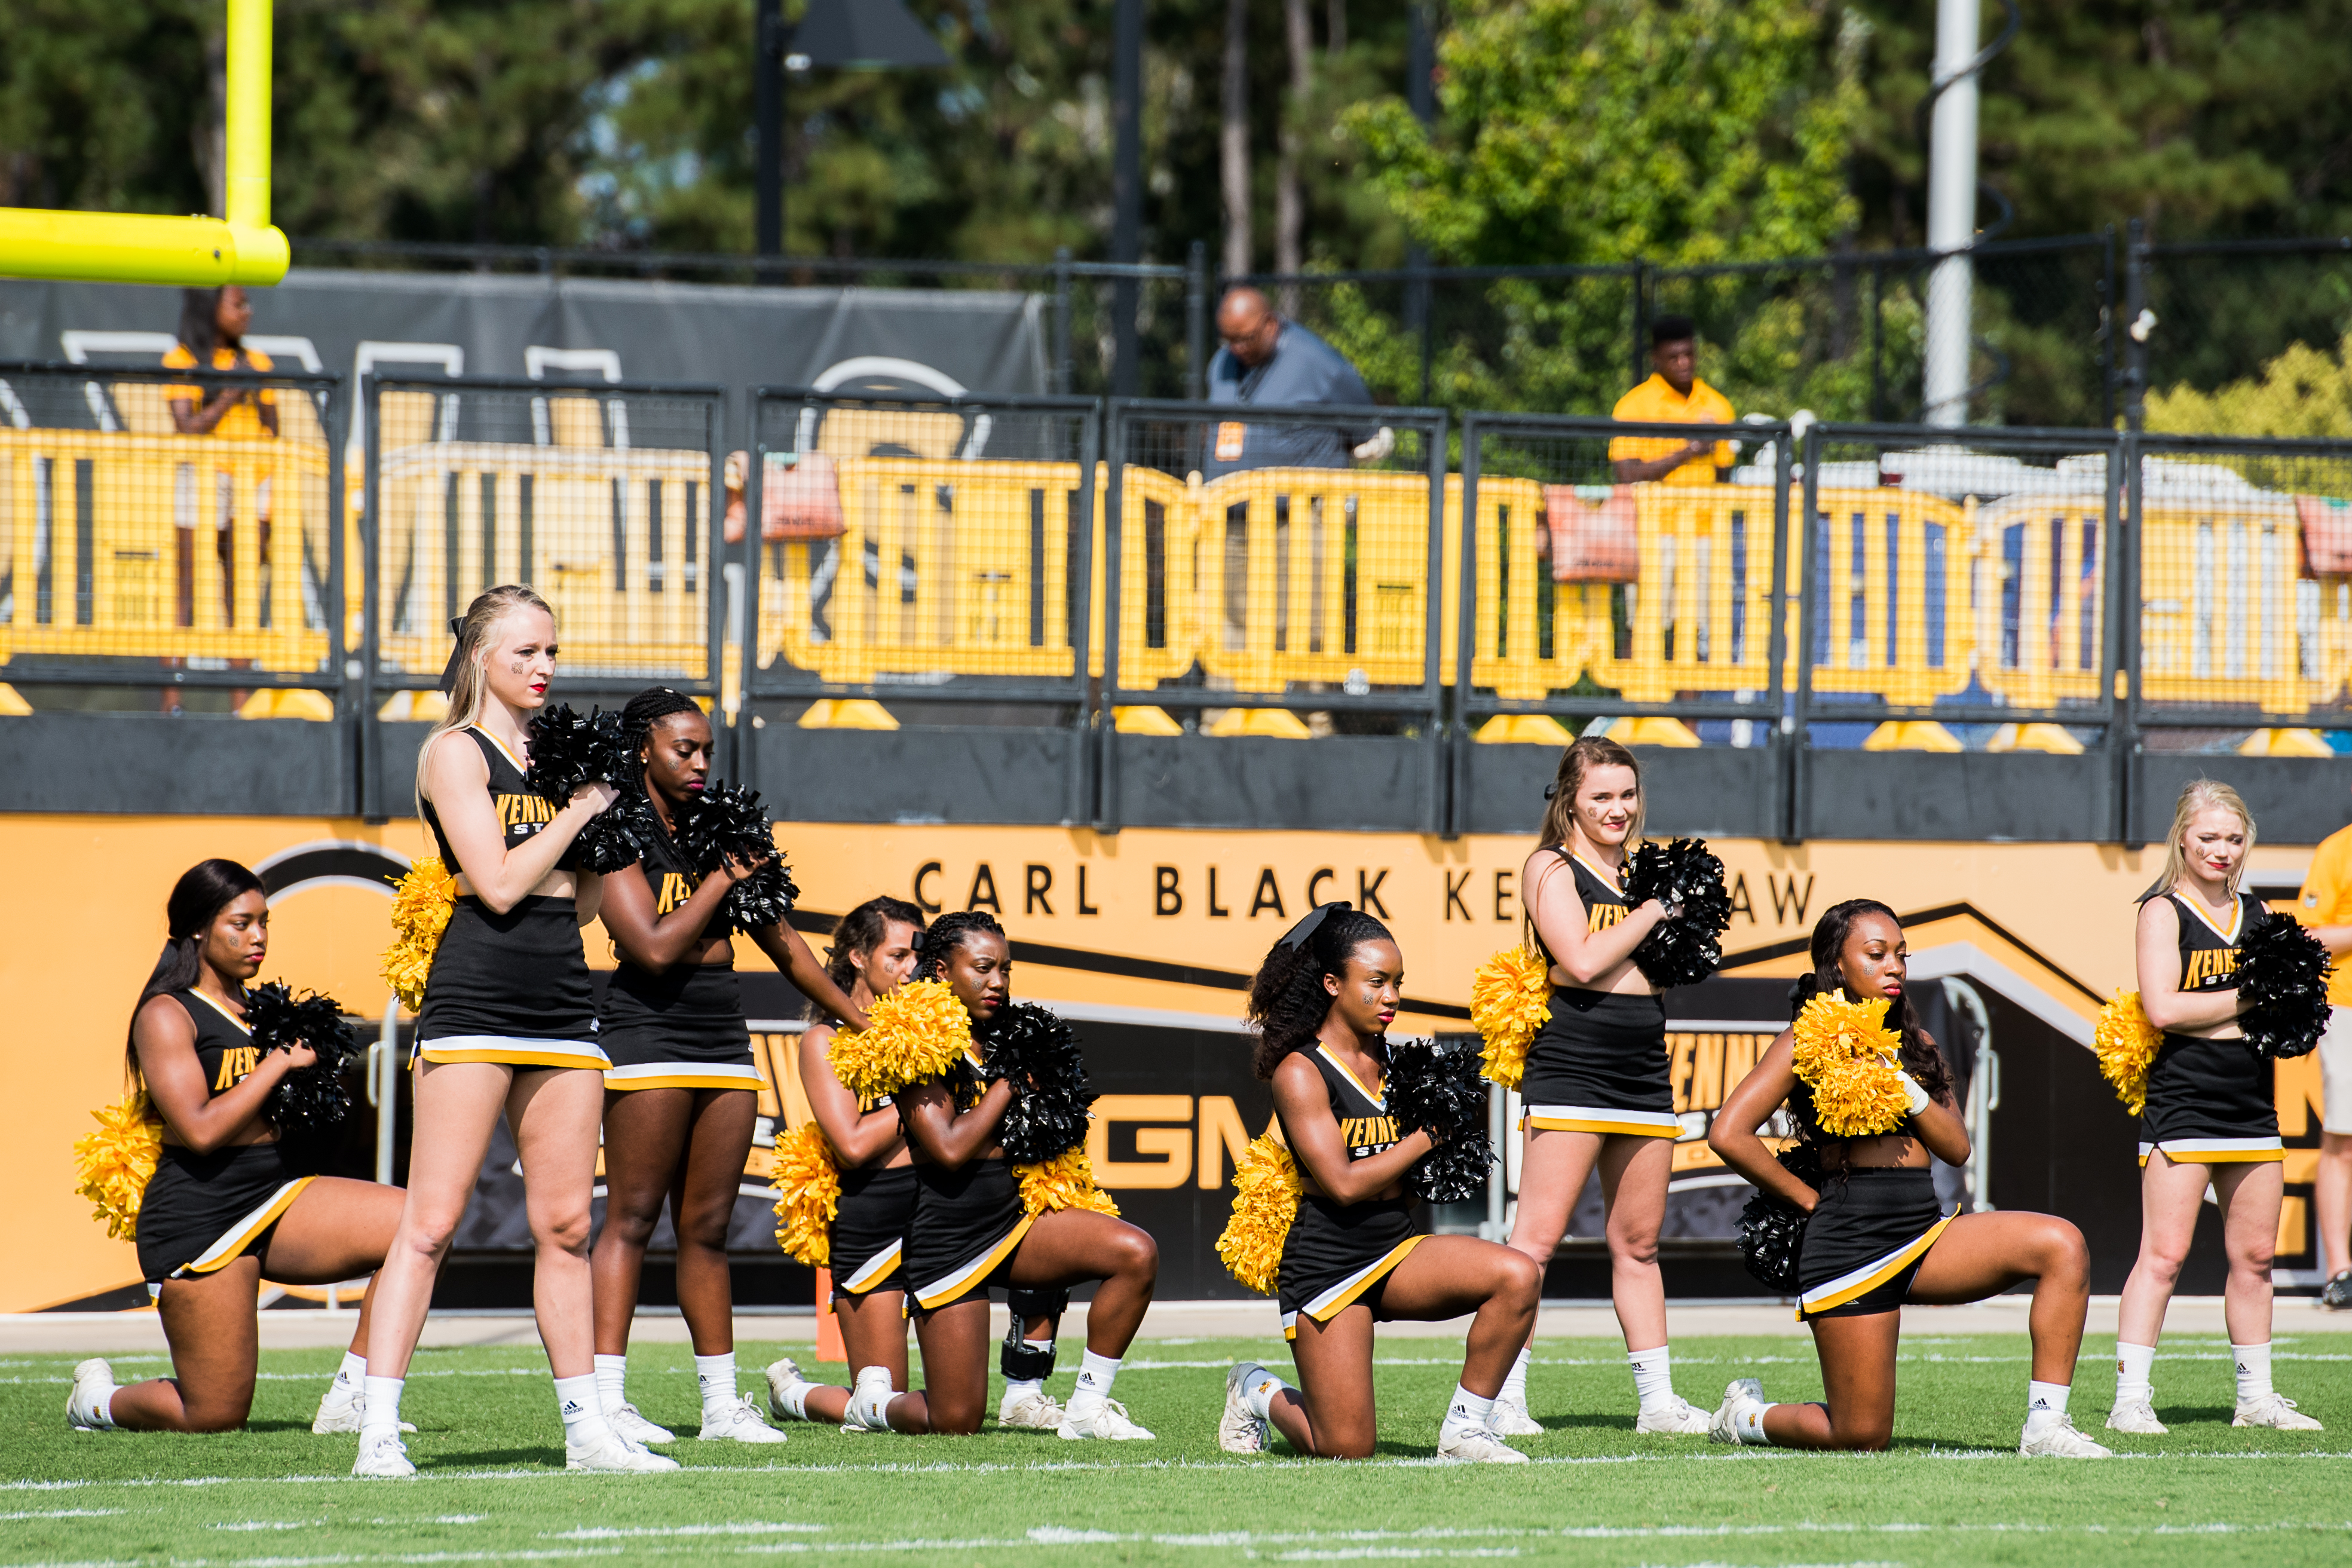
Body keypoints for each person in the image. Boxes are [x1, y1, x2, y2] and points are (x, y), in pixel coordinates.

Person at [355, 586, 674, 1478]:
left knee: (569, 1226)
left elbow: (574, 909)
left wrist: (604, 840)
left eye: (552, 653)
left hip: (562, 1004)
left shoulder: (561, 757)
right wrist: (577, 813)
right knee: (430, 1226)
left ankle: (586, 1433)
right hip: (476, 1001)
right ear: (480, 659)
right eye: (526, 653)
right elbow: (493, 884)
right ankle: (378, 1429)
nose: (543, 669)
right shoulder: (453, 754)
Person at [1703, 900, 2109, 1456]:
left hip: (1924, 1233)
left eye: (1901, 955)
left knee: (2062, 1245)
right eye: (1876, 954)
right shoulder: (1807, 1039)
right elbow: (1729, 1132)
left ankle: (2045, 1428)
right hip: (1848, 1243)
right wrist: (1808, 1201)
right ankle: (1746, 1416)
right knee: (1861, 1435)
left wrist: (1904, 1083)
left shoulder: (1918, 1046)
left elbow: (1956, 1148)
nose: (1894, 966)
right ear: (1837, 965)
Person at [587, 688, 869, 1447]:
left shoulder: (728, 829)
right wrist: (720, 878)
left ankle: (720, 1405)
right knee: (632, 1217)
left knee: (707, 1228)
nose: (701, 762)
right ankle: (608, 1402)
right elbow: (648, 944)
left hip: (721, 1037)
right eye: (684, 748)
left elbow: (789, 950)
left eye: (707, 749)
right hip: (646, 1032)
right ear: (644, 747)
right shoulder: (615, 826)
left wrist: (864, 1020)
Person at [68, 860, 408, 1437]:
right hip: (200, 1216)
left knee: (418, 1223)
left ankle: (354, 1393)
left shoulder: (262, 1011)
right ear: (199, 928)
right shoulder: (165, 1013)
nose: (258, 938)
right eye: (241, 924)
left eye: (264, 923)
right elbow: (200, 1130)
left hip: (273, 1194)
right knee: (214, 1414)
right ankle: (98, 1402)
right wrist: (277, 1064)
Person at [1218, 905, 1541, 1464]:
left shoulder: (1397, 1063)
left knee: (1517, 1276)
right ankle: (1256, 1390)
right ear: (1333, 984)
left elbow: (1409, 1181)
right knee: (1345, 1448)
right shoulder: (1301, 1071)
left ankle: (1465, 1430)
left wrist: (1446, 1156)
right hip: (1327, 1262)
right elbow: (1342, 1185)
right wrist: (1425, 1139)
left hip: (1393, 1247)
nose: (1391, 996)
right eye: (1377, 983)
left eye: (1398, 984)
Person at [838, 911, 1161, 1440]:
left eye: (1006, 971)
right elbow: (946, 1148)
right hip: (950, 1235)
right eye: (984, 969)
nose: (998, 983)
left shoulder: (1010, 1035)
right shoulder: (918, 1037)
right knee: (955, 1420)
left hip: (1015, 1221)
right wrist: (1010, 1084)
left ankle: (1087, 1406)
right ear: (942, 971)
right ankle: (873, 1406)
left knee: (1135, 1252)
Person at [1489, 737, 1708, 1437]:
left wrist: (1678, 923)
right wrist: (1655, 912)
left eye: (1627, 794)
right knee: (1536, 1243)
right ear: (1569, 801)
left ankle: (1658, 1403)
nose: (1618, 809)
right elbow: (1580, 959)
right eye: (1601, 797)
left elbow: (1660, 973)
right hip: (1573, 1067)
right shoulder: (1550, 866)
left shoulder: (1644, 872)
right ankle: (1503, 1396)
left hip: (1643, 1067)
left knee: (1638, 1243)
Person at [2107, 780, 2322, 1434]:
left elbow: (2284, 1013)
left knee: (2255, 1258)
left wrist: (2256, 1009)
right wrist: (2252, 998)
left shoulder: (2257, 914)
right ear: (2182, 837)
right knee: (2164, 1254)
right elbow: (2164, 1008)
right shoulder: (2161, 911)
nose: (2221, 850)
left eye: (2233, 838)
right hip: (2185, 1102)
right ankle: (2130, 1400)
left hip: (2252, 1103)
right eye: (2208, 838)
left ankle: (2255, 1398)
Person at [764, 898, 926, 1428]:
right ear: (857, 957)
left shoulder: (930, 1031)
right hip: (872, 1223)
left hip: (938, 1214)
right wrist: (921, 1096)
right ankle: (796, 1396)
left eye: (915, 957)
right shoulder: (824, 1040)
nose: (910, 969)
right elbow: (853, 1145)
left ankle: (1026, 1388)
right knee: (883, 1407)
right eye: (897, 955)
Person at [161, 284, 278, 641]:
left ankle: (241, 698)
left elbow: (273, 428)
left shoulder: (257, 362)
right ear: (210, 307)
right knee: (186, 590)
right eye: (237, 304)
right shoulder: (183, 360)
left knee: (241, 597)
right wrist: (230, 394)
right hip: (204, 477)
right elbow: (187, 426)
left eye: (248, 302)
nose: (247, 311)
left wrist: (252, 388)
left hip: (252, 481)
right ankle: (173, 697)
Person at [1203, 286, 1391, 479]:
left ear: (1270, 324)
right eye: (1229, 340)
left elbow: (1368, 431)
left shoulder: (1316, 361)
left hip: (1304, 505)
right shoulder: (1221, 362)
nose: (1237, 348)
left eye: (1246, 339)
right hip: (1223, 503)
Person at [2293, 789, 2352, 1310]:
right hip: (2349, 1008)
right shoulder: (2339, 849)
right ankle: (2341, 1272)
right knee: (2343, 1139)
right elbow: (2309, 936)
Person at [1608, 314, 1734, 485]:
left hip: (1705, 511)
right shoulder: (1633, 406)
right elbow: (1626, 475)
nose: (1684, 363)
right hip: (1654, 510)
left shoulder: (1718, 404)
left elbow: (1723, 477)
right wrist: (1689, 451)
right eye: (1674, 358)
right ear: (1656, 359)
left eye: (1689, 355)